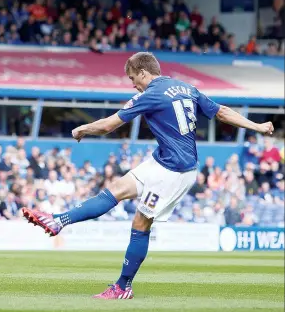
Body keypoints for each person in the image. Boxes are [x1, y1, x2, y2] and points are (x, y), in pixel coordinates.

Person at [21, 52, 274, 299]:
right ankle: (59, 220)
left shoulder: (151, 94)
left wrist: (82, 129)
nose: (133, 84)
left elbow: (109, 125)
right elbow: (221, 112)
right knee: (116, 189)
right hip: (163, 159)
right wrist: (257, 126)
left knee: (141, 224)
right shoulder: (186, 87)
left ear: (144, 72)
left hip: (175, 170)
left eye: (133, 78)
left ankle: (123, 286)